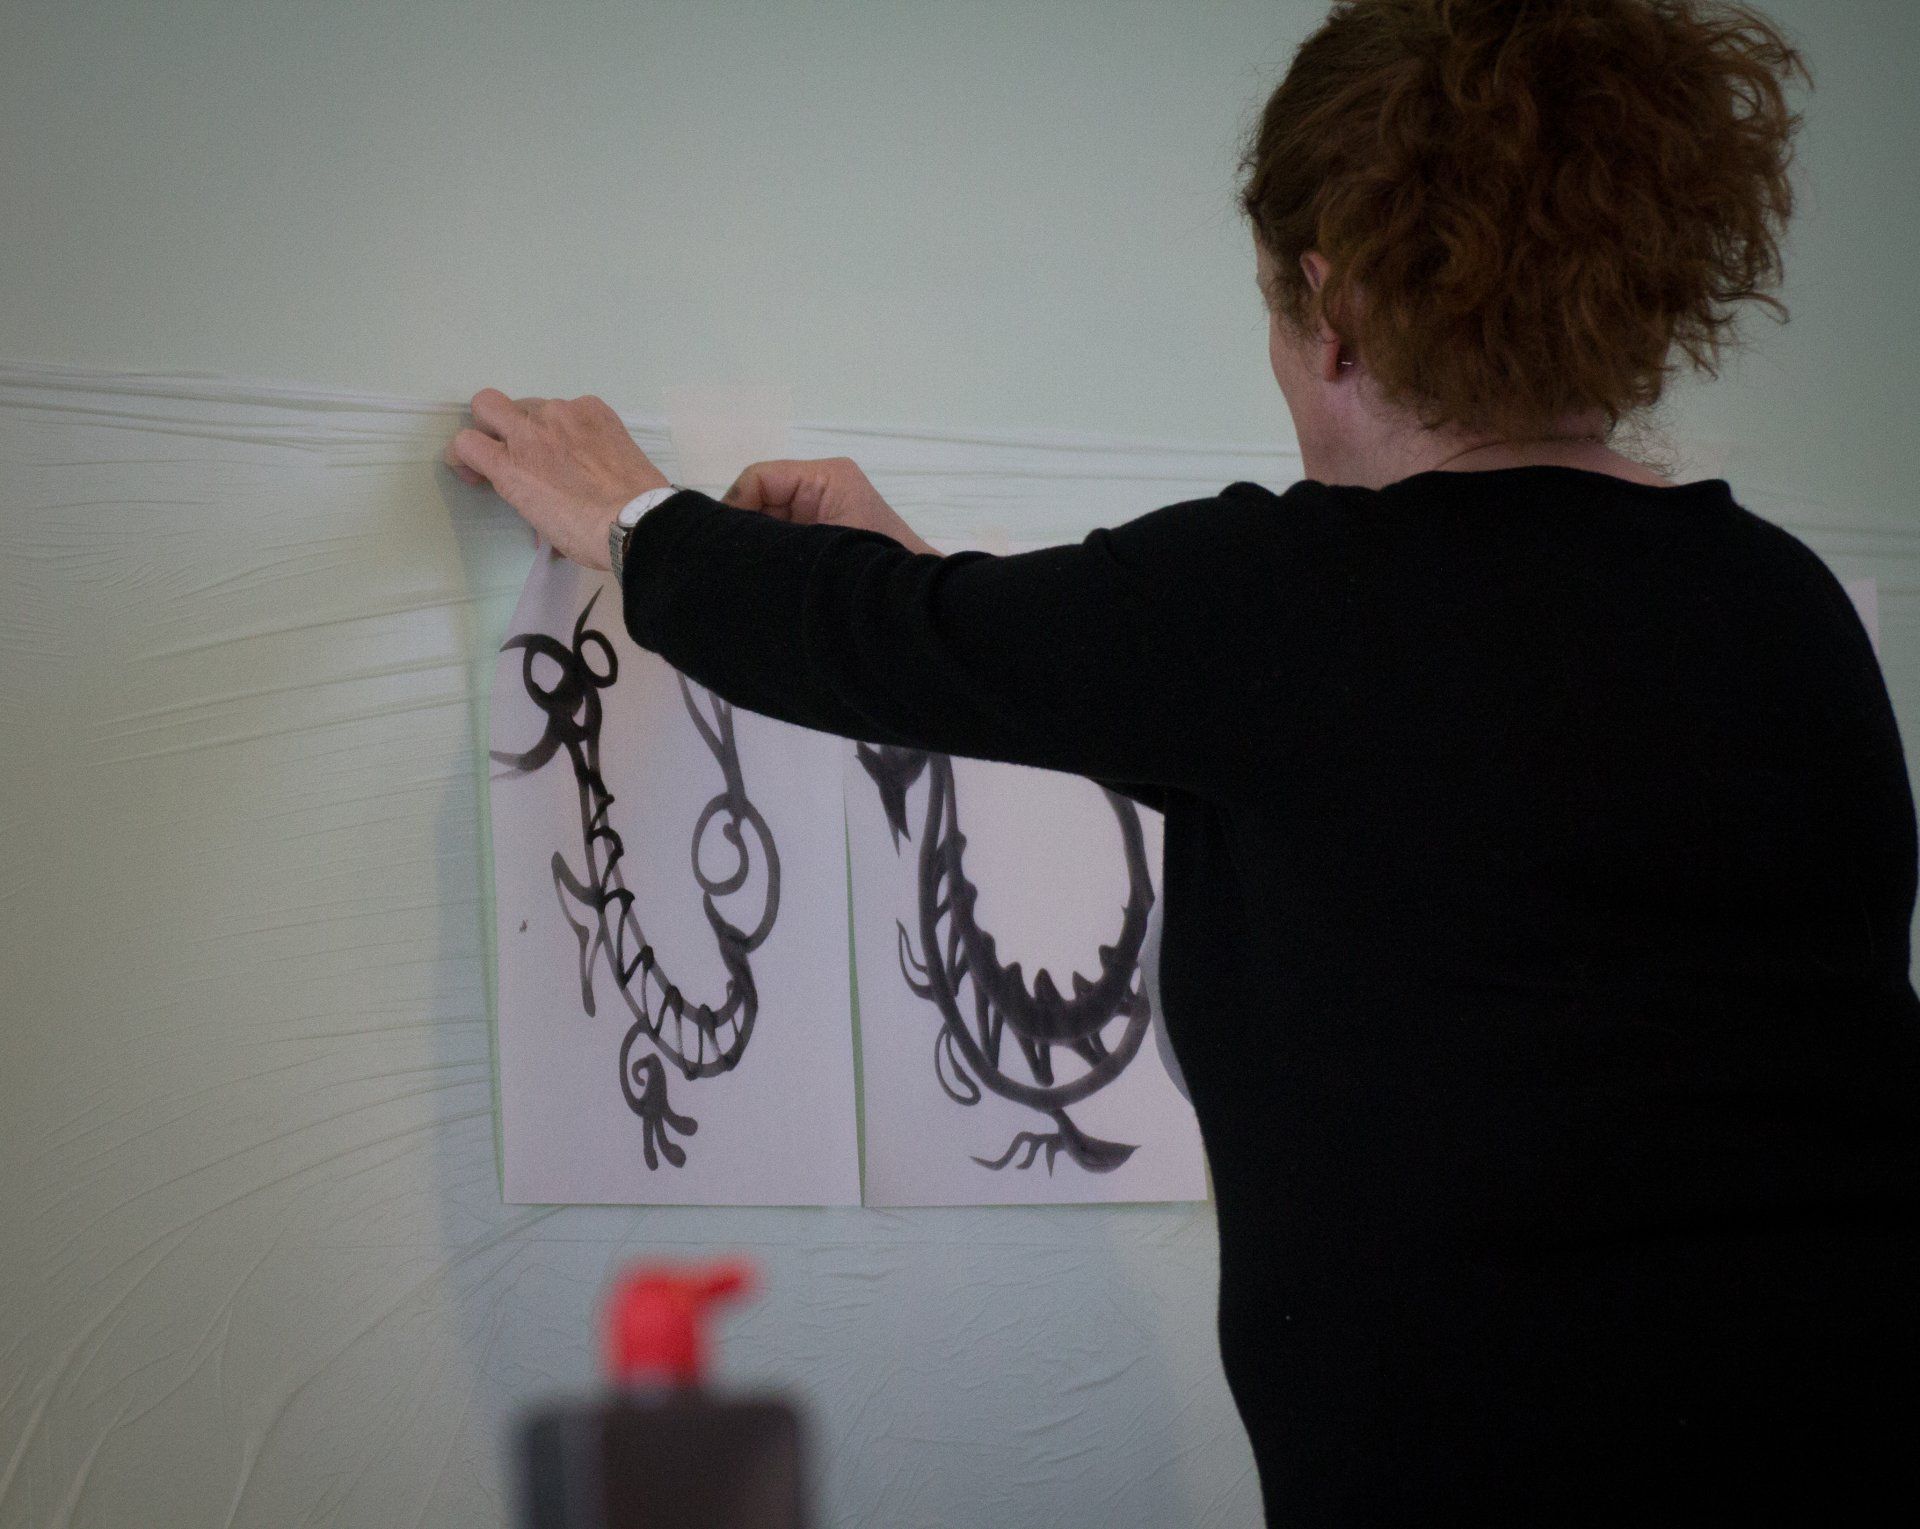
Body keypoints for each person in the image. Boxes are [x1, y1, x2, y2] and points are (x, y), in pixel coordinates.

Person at [447, 0, 1920, 1521]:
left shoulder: (1293, 605)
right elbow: (1382, 772)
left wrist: (634, 516)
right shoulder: (1780, 610)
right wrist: (934, 580)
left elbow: (939, 651)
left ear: (1331, 307)